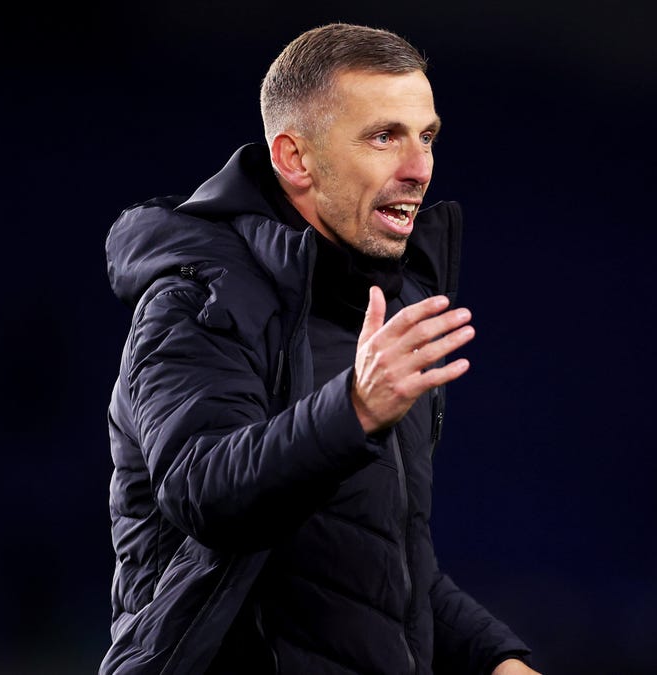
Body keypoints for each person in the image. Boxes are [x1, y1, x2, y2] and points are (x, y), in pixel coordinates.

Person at [101, 23, 539, 675]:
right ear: (295, 159)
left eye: (427, 137)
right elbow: (201, 490)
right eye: (384, 136)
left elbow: (373, 572)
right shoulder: (199, 298)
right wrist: (354, 409)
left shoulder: (381, 315)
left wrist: (495, 658)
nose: (419, 169)